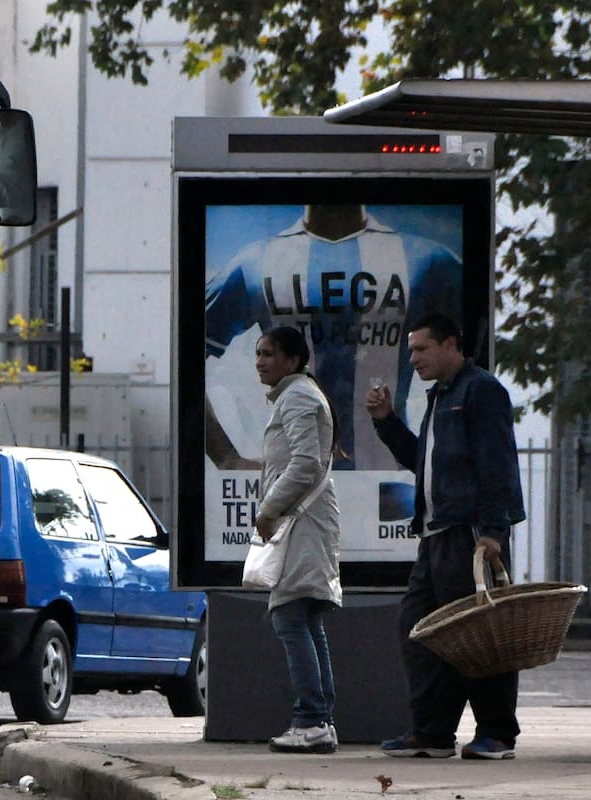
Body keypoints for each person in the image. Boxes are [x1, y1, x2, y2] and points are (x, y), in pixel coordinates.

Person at [365, 313, 526, 760]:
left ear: (451, 344)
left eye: (422, 348)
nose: (413, 358)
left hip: (469, 534)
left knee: (481, 634)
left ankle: (496, 733)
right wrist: (386, 422)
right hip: (436, 535)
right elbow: (424, 463)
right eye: (411, 350)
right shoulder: (441, 396)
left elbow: (497, 463)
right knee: (419, 629)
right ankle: (433, 731)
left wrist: (493, 530)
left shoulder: (481, 391)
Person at [205, 204, 464, 470]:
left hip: (389, 481)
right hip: (293, 480)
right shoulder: (256, 263)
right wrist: (226, 458)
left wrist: (452, 467)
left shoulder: (428, 261)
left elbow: (473, 371)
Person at [253, 326, 344, 754]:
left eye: (269, 354)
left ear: (292, 360)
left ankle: (311, 719)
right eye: (258, 354)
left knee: (290, 616)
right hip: (304, 522)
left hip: (302, 524)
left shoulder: (299, 397)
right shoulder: (294, 396)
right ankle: (320, 720)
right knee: (304, 618)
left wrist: (268, 509)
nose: (260, 362)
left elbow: (306, 463)